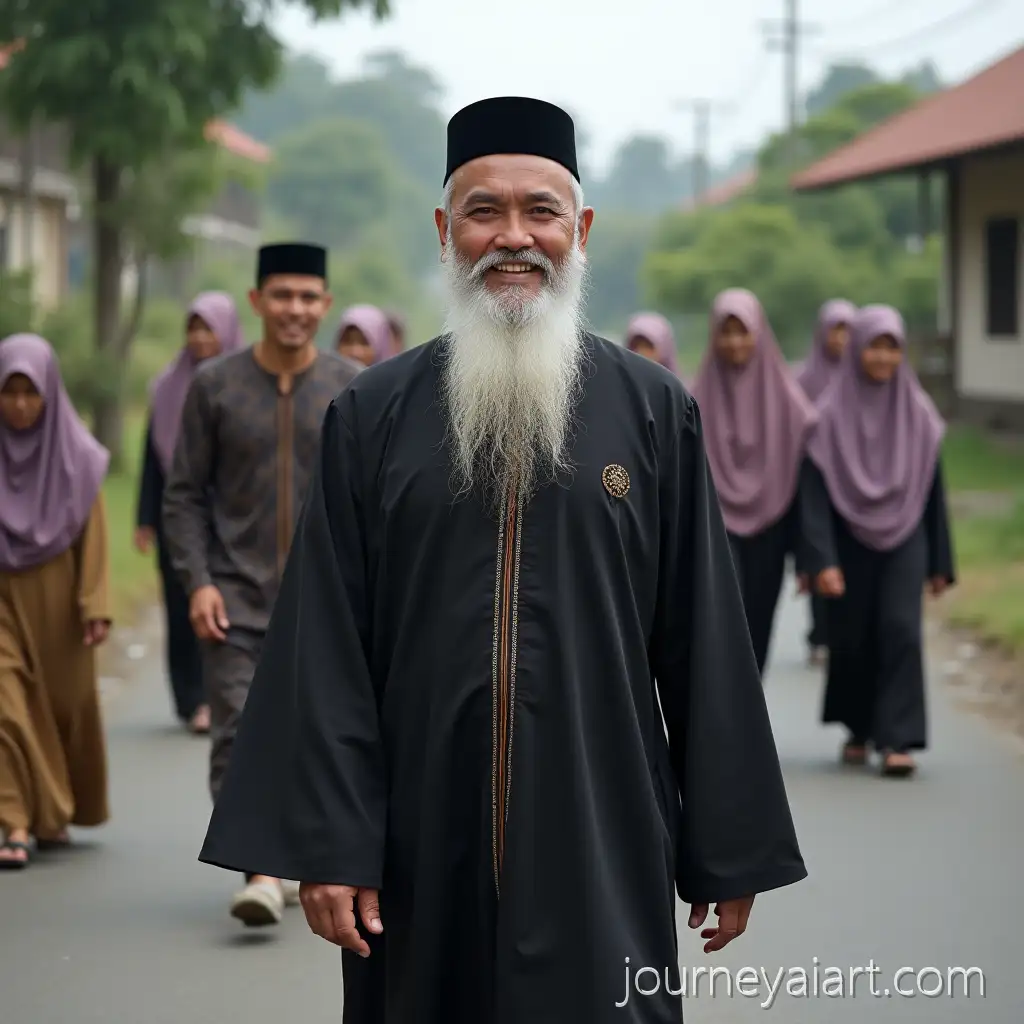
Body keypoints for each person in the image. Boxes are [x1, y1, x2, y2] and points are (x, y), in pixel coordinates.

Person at [198, 97, 806, 1023]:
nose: (512, 237)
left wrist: (725, 847)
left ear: (581, 229)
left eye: (541, 212)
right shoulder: (374, 416)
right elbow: (326, 648)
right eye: (484, 210)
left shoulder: (652, 412)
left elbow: (704, 642)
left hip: (602, 826)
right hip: (415, 840)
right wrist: (330, 844)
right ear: (446, 229)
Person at [162, 243, 362, 925]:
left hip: (328, 606)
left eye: (309, 298)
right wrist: (197, 582)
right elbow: (183, 496)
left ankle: (321, 858)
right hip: (235, 600)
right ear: (256, 302)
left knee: (323, 736)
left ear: (326, 306)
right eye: (282, 296)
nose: (295, 310)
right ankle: (263, 868)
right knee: (240, 732)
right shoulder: (215, 387)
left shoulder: (352, 386)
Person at [800, 305, 955, 778]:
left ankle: (898, 738)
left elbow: (932, 489)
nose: (884, 357)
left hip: (907, 536)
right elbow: (815, 496)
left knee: (901, 629)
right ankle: (859, 727)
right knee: (854, 636)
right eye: (875, 346)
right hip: (848, 539)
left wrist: (940, 562)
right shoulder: (826, 416)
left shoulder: (921, 415)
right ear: (858, 351)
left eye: (893, 348)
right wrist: (821, 559)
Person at [0, 335, 111, 870]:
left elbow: (94, 537)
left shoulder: (79, 457)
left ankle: (57, 807)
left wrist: (94, 601)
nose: (20, 405)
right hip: (2, 599)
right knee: (6, 710)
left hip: (61, 601)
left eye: (31, 393)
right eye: (9, 392)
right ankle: (15, 821)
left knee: (63, 710)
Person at [690, 289, 833, 677]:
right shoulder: (690, 404)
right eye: (726, 332)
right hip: (713, 527)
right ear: (713, 336)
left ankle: (746, 720)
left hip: (771, 532)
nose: (735, 342)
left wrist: (811, 557)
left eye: (743, 331)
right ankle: (717, 719)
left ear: (760, 334)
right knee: (718, 621)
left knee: (757, 626)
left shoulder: (792, 407)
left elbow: (808, 486)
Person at [135, 291, 245, 734]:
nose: (200, 338)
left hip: (230, 519)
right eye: (193, 329)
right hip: (176, 516)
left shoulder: (243, 385)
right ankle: (191, 700)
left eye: (208, 329)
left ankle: (227, 694)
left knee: (227, 606)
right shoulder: (166, 387)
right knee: (180, 609)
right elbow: (151, 458)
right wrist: (145, 518)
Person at [795, 299, 856, 664]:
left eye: (848, 330)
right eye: (835, 329)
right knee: (819, 558)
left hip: (854, 484)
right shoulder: (804, 381)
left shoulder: (863, 375)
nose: (841, 339)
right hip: (816, 483)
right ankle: (819, 632)